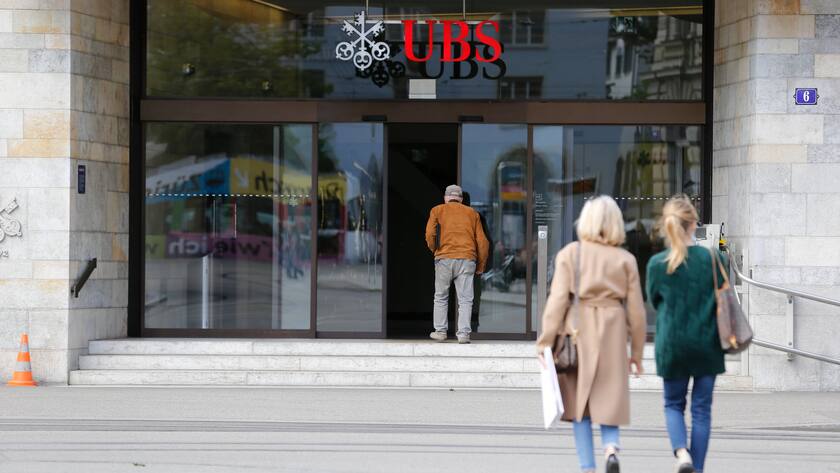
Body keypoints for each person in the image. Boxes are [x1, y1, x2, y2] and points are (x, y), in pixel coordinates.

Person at [537, 195, 646, 473]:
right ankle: (611, 449)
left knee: (578, 403)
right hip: (612, 328)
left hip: (578, 329)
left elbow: (557, 301)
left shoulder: (571, 253)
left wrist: (545, 341)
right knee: (610, 395)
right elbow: (636, 311)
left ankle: (588, 466)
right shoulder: (626, 259)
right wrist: (636, 353)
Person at [646, 195, 726, 473]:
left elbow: (654, 301)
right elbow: (723, 297)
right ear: (694, 224)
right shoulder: (713, 259)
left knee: (673, 405)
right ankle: (698, 469)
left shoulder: (657, 263)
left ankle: (682, 455)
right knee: (702, 411)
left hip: (673, 345)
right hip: (707, 344)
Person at [425, 185, 489, 344]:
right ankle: (464, 334)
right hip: (467, 259)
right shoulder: (472, 214)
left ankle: (440, 331)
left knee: (440, 296)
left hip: (444, 258)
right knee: (466, 299)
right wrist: (480, 266)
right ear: (460, 199)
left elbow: (429, 234)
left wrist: (435, 249)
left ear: (446, 198)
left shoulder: (437, 210)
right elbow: (483, 242)